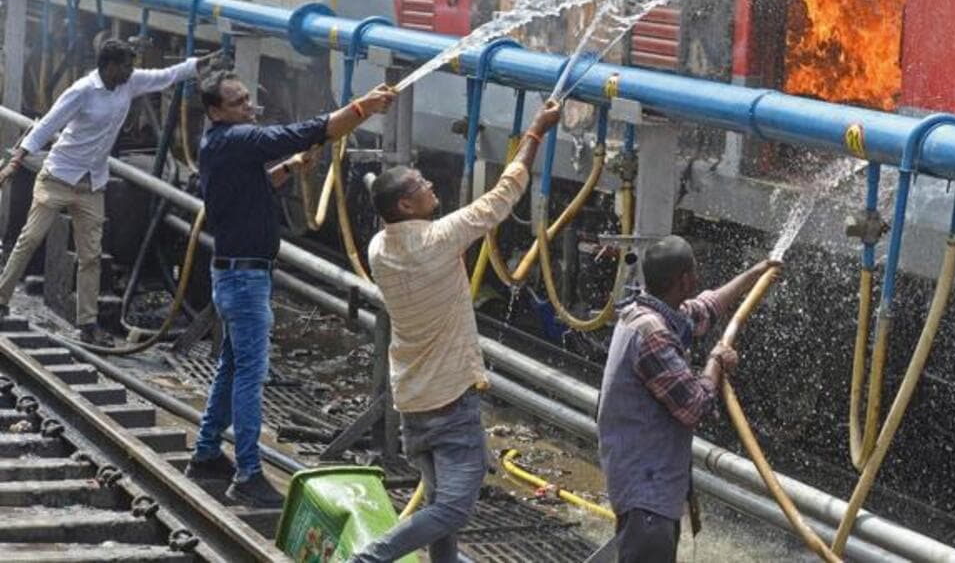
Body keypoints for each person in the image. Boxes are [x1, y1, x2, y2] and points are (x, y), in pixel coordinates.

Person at [348, 100, 562, 563]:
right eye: (420, 186)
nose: (428, 186)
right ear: (406, 204)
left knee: (436, 500)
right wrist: (536, 134)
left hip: (412, 399)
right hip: (449, 403)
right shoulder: (438, 240)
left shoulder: (379, 246)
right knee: (452, 508)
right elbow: (503, 195)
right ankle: (370, 558)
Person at [184, 70, 396, 506]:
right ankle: (248, 473)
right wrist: (362, 108)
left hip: (235, 273)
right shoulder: (237, 138)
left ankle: (206, 451)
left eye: (248, 99)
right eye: (239, 102)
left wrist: (287, 170)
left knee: (230, 366)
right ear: (216, 111)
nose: (249, 107)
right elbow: (305, 130)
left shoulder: (222, 145)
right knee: (249, 375)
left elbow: (246, 191)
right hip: (244, 279)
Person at [0, 39, 220, 339]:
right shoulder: (82, 91)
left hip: (92, 184)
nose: (132, 71)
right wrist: (16, 161)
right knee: (30, 238)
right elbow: (47, 125)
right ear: (110, 66)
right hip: (58, 177)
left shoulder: (129, 83)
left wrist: (196, 65)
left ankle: (86, 324)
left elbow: (164, 76)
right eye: (126, 66)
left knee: (91, 255)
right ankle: (1, 299)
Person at [597, 237, 778, 562]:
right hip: (646, 491)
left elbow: (706, 307)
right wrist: (717, 362)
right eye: (694, 270)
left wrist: (756, 273)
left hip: (647, 482)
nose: (698, 277)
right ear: (684, 279)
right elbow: (695, 406)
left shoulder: (646, 311)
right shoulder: (652, 335)